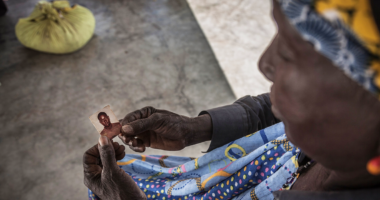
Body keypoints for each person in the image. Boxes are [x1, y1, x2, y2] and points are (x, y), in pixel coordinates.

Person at [83, 0, 380, 199]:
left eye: (291, 53)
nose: (265, 63)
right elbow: (274, 114)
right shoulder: (341, 144)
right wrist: (196, 127)